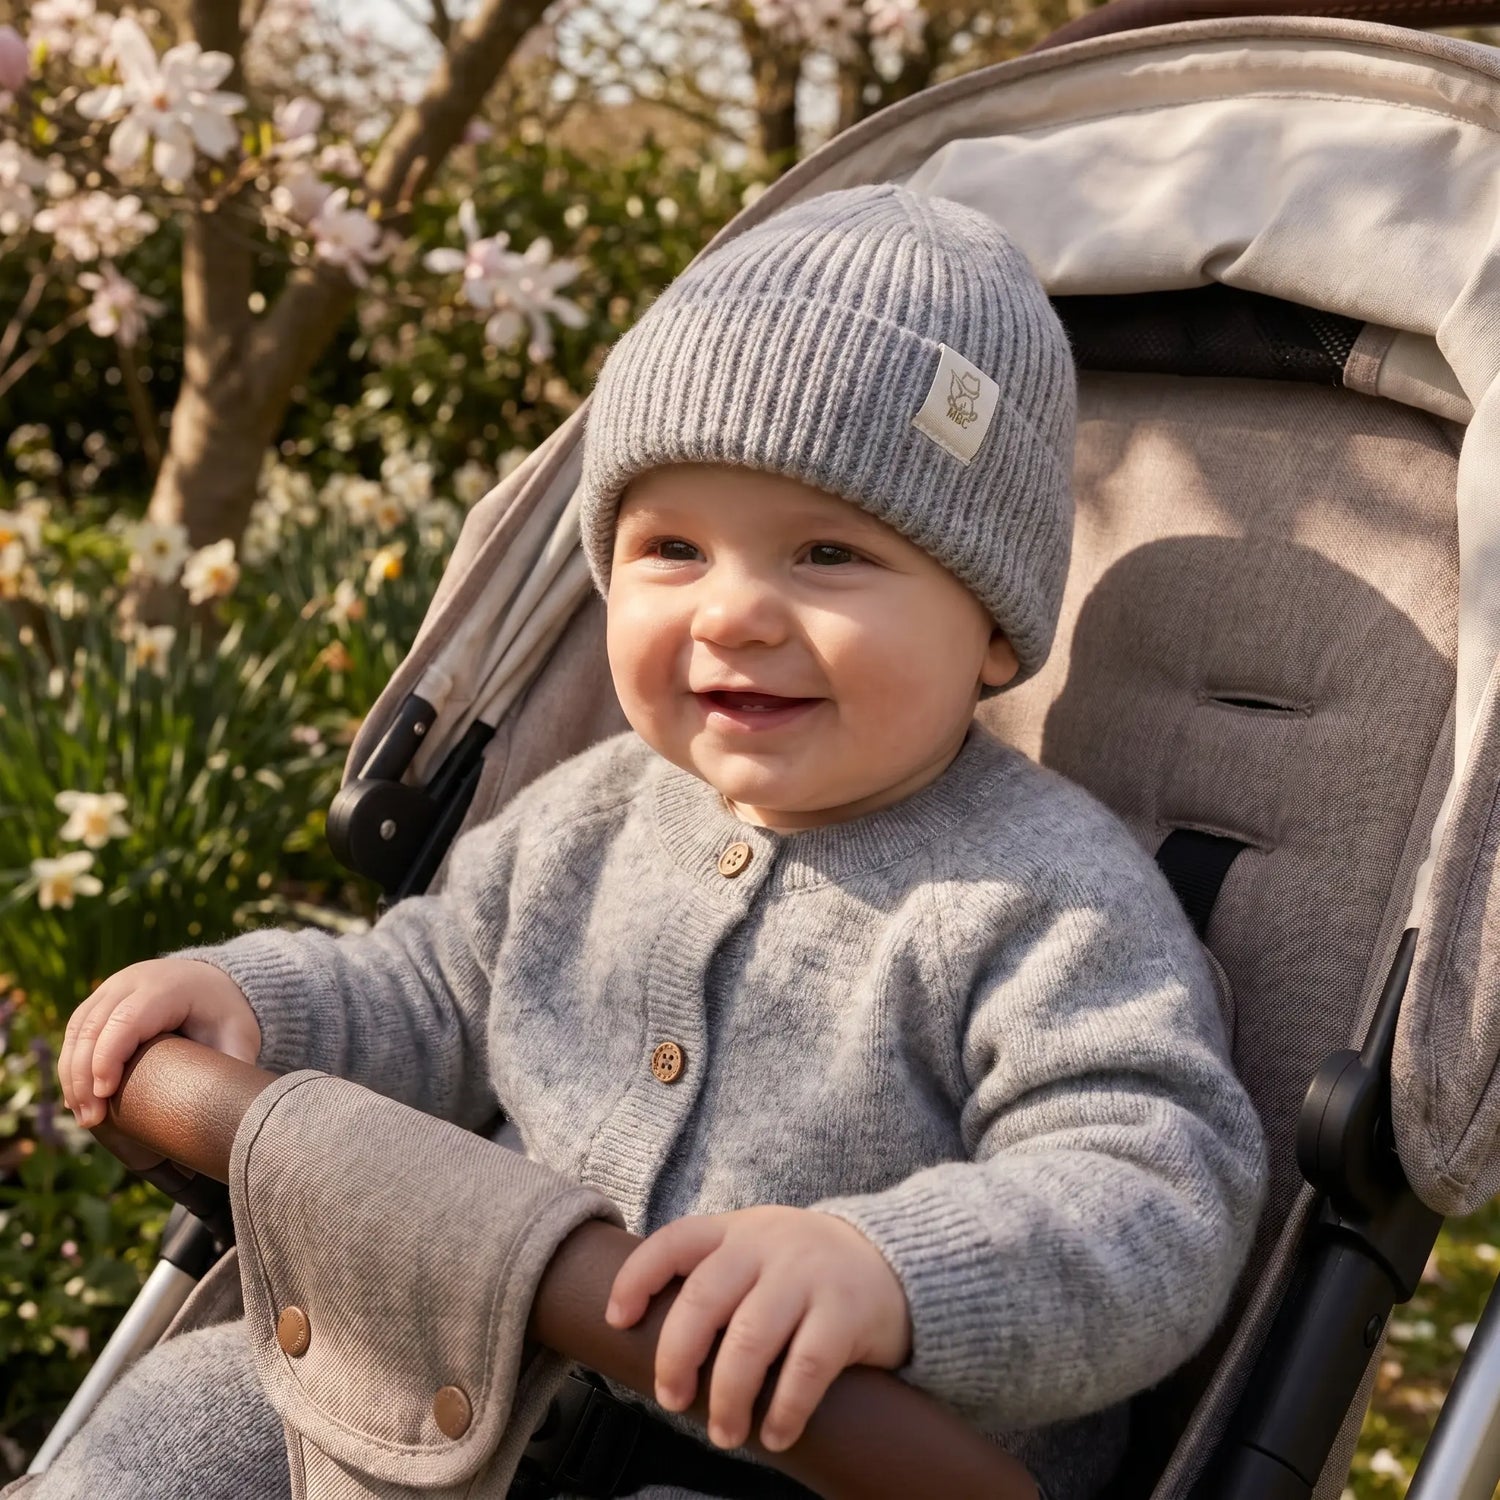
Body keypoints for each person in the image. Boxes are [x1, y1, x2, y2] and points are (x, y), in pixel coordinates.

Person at [50, 183, 1267, 1500]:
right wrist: (257, 1002)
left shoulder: (1046, 899)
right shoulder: (592, 812)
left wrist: (894, 1271)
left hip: (808, 1463)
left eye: (827, 555)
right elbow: (433, 990)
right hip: (461, 1368)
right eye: (673, 548)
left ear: (989, 627)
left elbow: (1152, 1185)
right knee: (182, 1419)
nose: (735, 612)